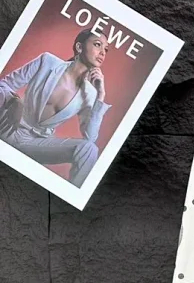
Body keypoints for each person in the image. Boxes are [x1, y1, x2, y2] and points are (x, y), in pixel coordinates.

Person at [0, 29, 112, 187]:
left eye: (106, 49)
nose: (102, 52)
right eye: (97, 45)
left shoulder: (90, 94)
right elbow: (4, 84)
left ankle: (71, 196)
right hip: (9, 125)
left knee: (89, 149)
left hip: (36, 144)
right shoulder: (47, 62)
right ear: (79, 47)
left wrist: (100, 95)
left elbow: (90, 137)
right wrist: (15, 100)